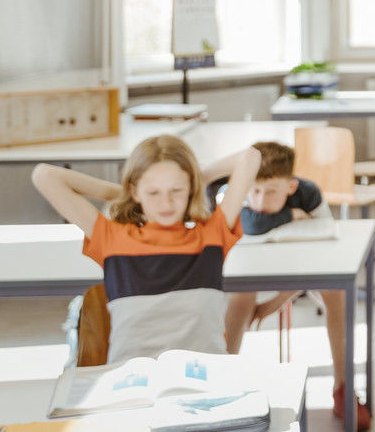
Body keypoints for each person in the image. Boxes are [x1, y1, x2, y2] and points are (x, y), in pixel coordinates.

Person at [31, 136, 259, 365]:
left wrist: (197, 180)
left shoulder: (211, 236)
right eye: (153, 193)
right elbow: (45, 175)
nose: (166, 203)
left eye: (176, 190)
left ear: (190, 189)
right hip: (133, 382)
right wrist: (124, 194)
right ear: (135, 191)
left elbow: (251, 156)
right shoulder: (113, 238)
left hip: (205, 378)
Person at [212, 141, 371, 430]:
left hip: (299, 270)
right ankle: (223, 384)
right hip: (248, 270)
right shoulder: (233, 192)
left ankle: (343, 387)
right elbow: (252, 224)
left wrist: (274, 302)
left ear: (291, 187)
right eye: (254, 191)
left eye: (271, 191)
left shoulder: (309, 193)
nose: (259, 200)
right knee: (240, 298)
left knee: (336, 292)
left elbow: (323, 251)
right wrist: (288, 216)